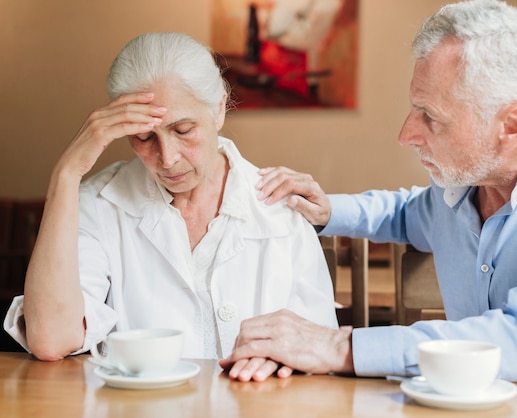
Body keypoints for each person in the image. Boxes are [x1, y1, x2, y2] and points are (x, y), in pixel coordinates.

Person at [219, 0, 517, 383]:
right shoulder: (464, 180)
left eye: (431, 117)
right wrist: (328, 211)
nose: (405, 134)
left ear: (513, 126)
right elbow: (408, 214)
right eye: (415, 108)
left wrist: (340, 345)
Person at [3, 32, 338, 363]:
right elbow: (51, 339)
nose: (167, 158)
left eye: (182, 130)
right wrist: (66, 173)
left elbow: (320, 352)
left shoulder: (281, 207)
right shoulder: (98, 204)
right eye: (144, 136)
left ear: (219, 109)